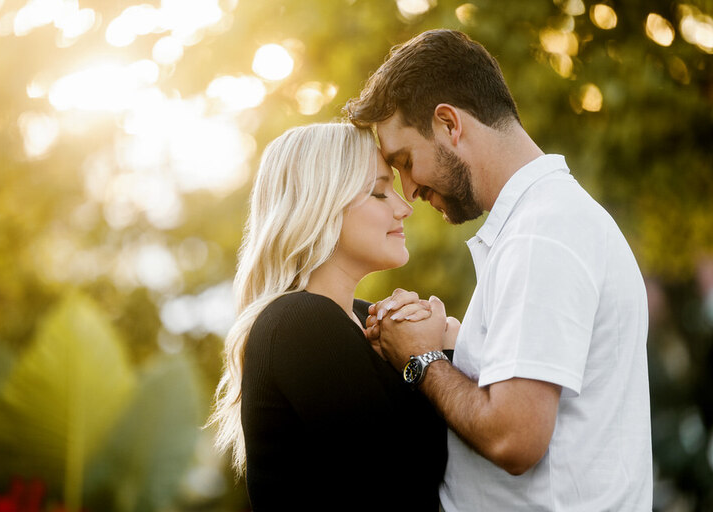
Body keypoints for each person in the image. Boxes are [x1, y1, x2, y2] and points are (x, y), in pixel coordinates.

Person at [345, 29, 653, 511]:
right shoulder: (545, 222)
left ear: (449, 124)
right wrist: (453, 343)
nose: (409, 189)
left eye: (405, 161)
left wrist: (422, 360)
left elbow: (515, 438)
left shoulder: (543, 234)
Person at [208, 123, 454, 511]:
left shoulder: (358, 318)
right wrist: (438, 352)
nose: (404, 207)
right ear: (319, 206)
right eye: (378, 191)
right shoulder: (298, 323)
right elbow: (408, 483)